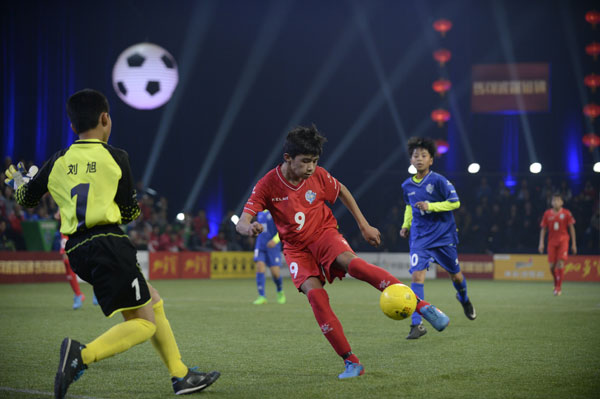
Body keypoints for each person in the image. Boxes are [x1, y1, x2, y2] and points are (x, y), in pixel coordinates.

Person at [5, 89, 219, 398]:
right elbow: (131, 211)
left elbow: (25, 200)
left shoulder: (57, 161)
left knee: (152, 299)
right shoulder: (117, 157)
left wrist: (18, 181)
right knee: (144, 324)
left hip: (77, 249)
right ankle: (82, 355)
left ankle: (180, 375)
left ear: (72, 126)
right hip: (108, 243)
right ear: (105, 118)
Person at [236, 125, 449, 379]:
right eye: (305, 162)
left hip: (324, 233)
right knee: (316, 298)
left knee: (354, 265)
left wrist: (364, 224)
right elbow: (241, 221)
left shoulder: (319, 176)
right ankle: (351, 362)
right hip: (296, 249)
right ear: (287, 158)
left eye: (315, 161)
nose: (311, 168)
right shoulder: (268, 184)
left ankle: (423, 307)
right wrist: (249, 228)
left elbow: (343, 191)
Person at [399, 137, 475, 340]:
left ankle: (464, 298)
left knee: (456, 276)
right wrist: (406, 225)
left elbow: (455, 203)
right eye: (416, 156)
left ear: (431, 160)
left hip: (443, 236)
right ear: (411, 160)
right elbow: (409, 206)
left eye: (424, 156)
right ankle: (417, 324)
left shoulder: (439, 181)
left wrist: (431, 206)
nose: (419, 159)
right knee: (417, 277)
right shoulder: (407, 185)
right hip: (420, 237)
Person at [538, 193, 576, 296]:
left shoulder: (567, 213)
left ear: (562, 202)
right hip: (551, 242)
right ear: (551, 202)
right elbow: (543, 229)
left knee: (560, 263)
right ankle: (556, 282)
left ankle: (558, 287)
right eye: (554, 200)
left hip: (563, 241)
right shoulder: (547, 214)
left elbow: (571, 228)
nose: (556, 202)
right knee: (551, 267)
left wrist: (574, 244)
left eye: (558, 200)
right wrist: (541, 243)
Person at [252, 210, 286, 305]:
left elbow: (283, 230)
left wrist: (275, 241)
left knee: (275, 273)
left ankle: (280, 291)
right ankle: (262, 296)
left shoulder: (276, 210)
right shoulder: (260, 212)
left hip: (272, 246)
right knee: (259, 267)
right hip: (260, 245)